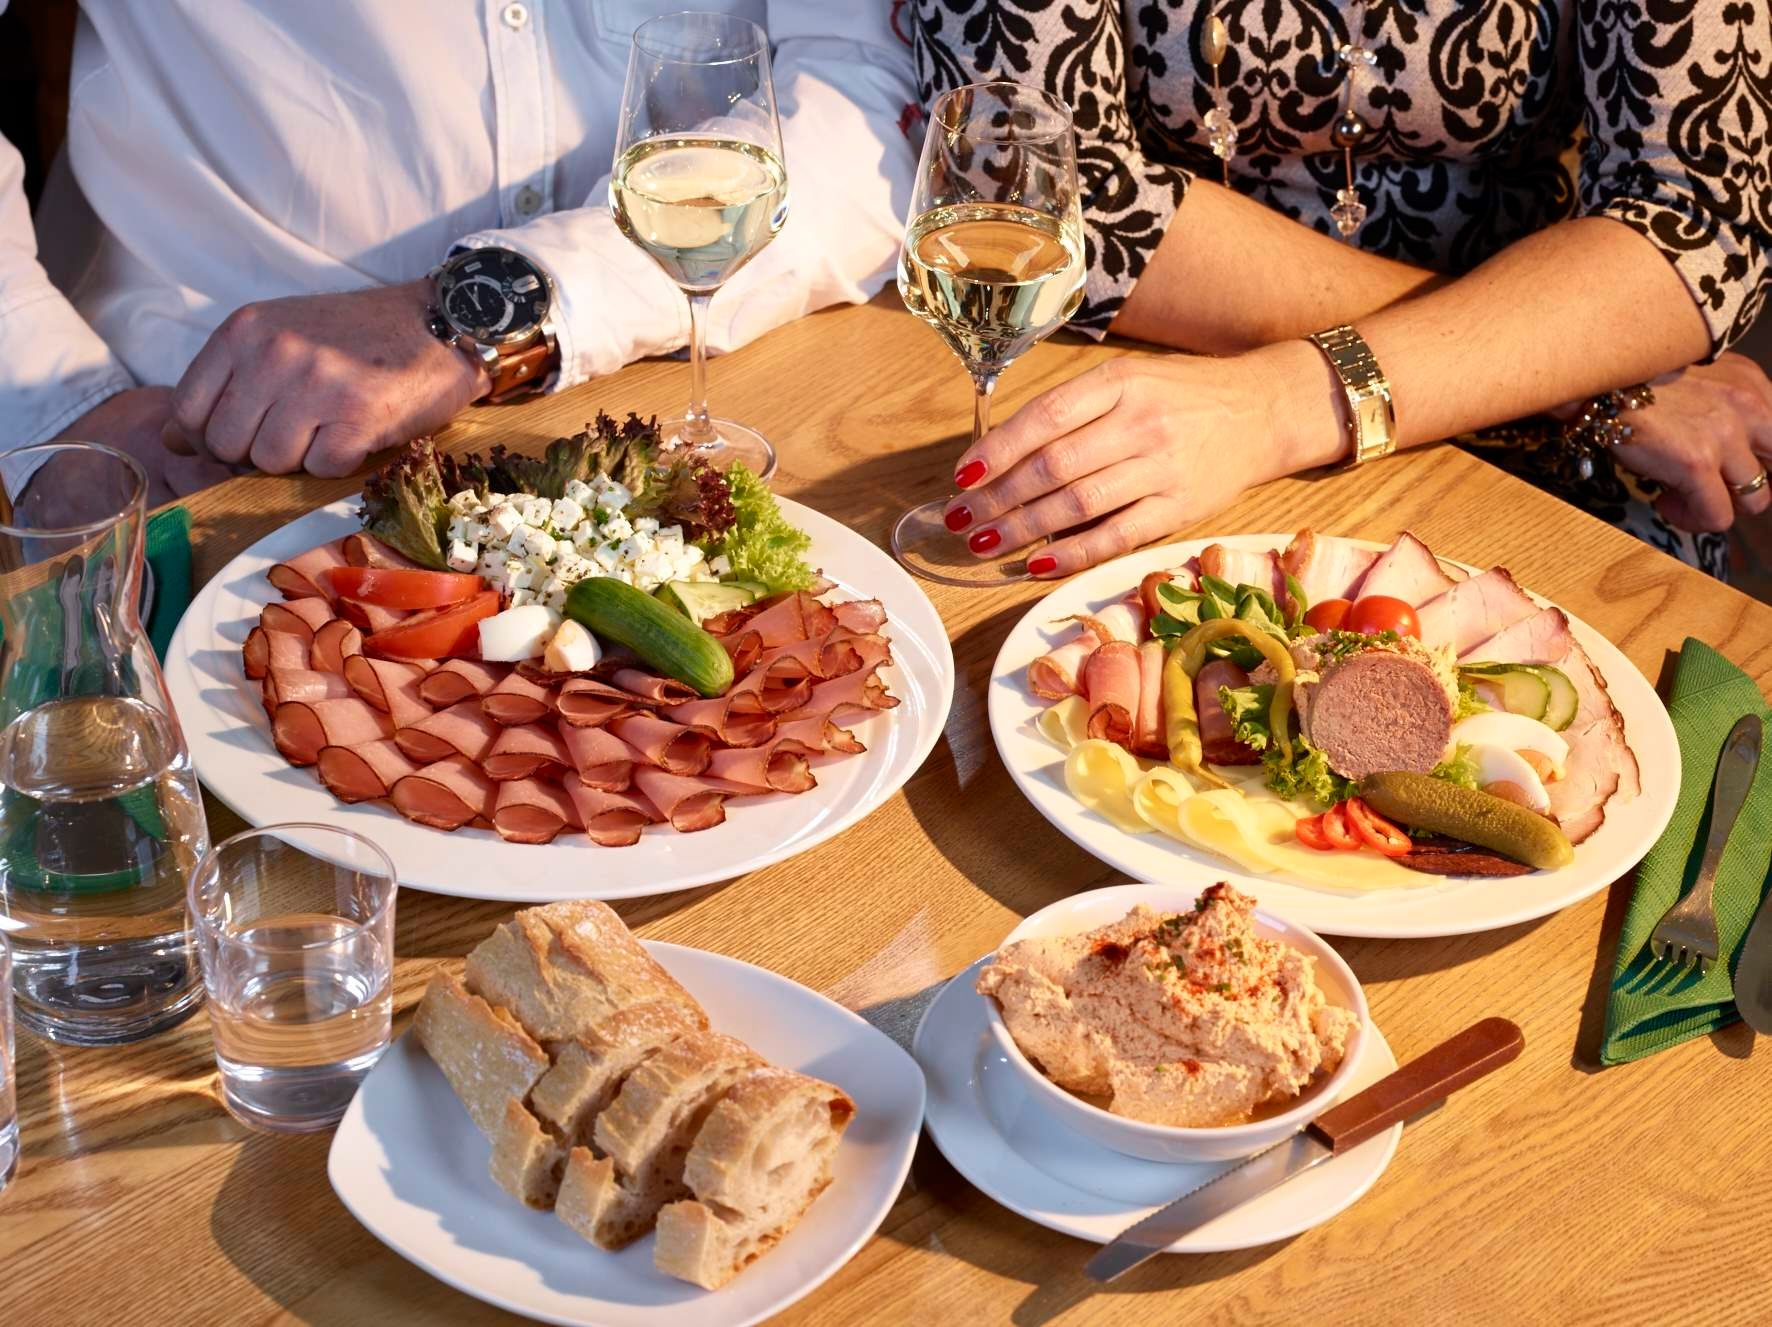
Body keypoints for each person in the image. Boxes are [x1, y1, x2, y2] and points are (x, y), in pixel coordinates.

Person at [904, 1, 1772, 578]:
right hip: (1163, 397)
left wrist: (1283, 401)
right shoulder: (1578, 373)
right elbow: (1027, 177)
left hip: (1552, 468)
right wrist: (1562, 364)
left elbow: (1699, 214)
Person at [0, 2, 919, 503]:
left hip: (713, 393)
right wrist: (58, 405)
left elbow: (856, 98)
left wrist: (481, 310)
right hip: (213, 451)